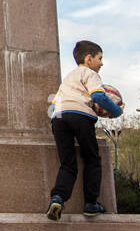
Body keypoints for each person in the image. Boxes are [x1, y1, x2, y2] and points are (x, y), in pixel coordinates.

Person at [46, 39, 123, 221]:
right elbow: (98, 96)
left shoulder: (68, 78)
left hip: (59, 118)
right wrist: (116, 110)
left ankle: (58, 197)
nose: (101, 63)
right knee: (92, 159)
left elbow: (52, 107)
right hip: (81, 116)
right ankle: (90, 203)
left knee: (67, 163)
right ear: (89, 59)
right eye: (100, 58)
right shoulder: (90, 73)